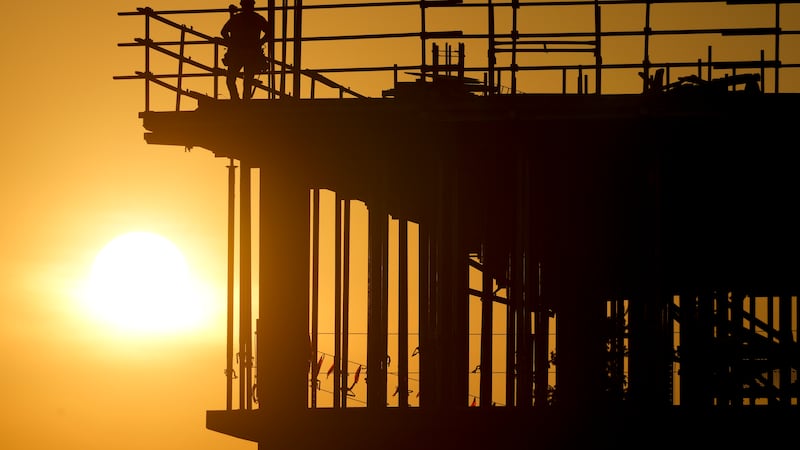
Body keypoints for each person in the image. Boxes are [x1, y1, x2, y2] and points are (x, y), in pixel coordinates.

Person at [220, 0, 269, 100]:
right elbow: (269, 32)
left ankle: (236, 100)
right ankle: (242, 101)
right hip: (250, 53)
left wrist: (231, 43)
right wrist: (259, 42)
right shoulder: (256, 18)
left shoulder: (238, 18)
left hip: (238, 53)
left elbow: (224, 32)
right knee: (246, 81)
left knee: (231, 80)